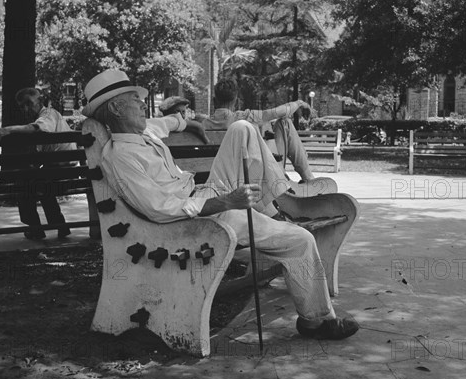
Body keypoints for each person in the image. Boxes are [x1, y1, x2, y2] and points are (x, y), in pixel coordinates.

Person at [82, 69, 359, 341]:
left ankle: (283, 203)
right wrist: (226, 201)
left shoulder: (144, 131)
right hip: (193, 223)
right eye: (135, 99)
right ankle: (317, 321)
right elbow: (159, 209)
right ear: (117, 109)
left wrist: (188, 124)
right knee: (300, 239)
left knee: (242, 129)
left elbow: (168, 123)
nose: (143, 104)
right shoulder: (121, 157)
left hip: (206, 194)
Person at [0, 88, 75, 240]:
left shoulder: (48, 115)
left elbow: (36, 129)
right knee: (35, 182)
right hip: (62, 170)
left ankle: (36, 229)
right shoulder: (45, 117)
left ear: (40, 102)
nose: (26, 109)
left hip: (64, 171)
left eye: (29, 104)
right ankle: (59, 225)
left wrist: (6, 130)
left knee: (27, 185)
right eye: (22, 106)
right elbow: (38, 155)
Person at [205, 77, 315, 183]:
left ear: (215, 101)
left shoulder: (203, 125)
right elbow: (281, 111)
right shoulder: (245, 117)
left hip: (218, 178)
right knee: (285, 123)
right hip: (258, 178)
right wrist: (300, 103)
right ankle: (309, 178)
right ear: (236, 102)